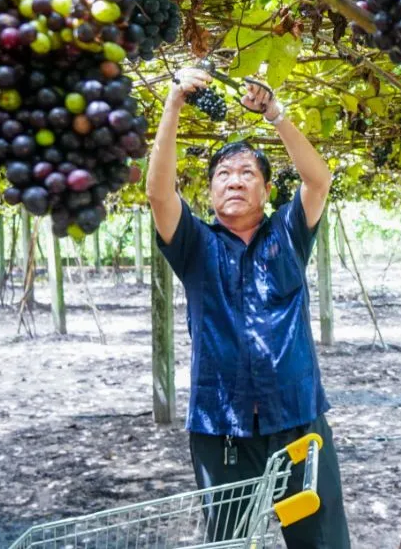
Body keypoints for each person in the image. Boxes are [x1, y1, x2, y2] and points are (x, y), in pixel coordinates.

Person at [146, 67, 350, 548]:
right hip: (222, 430)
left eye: (247, 174)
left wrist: (275, 115)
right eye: (222, 174)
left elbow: (318, 180)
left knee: (321, 542)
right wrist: (173, 103)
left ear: (265, 191)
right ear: (210, 192)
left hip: (298, 420)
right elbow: (158, 193)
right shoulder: (195, 246)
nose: (234, 182)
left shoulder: (288, 233)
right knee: (233, 543)